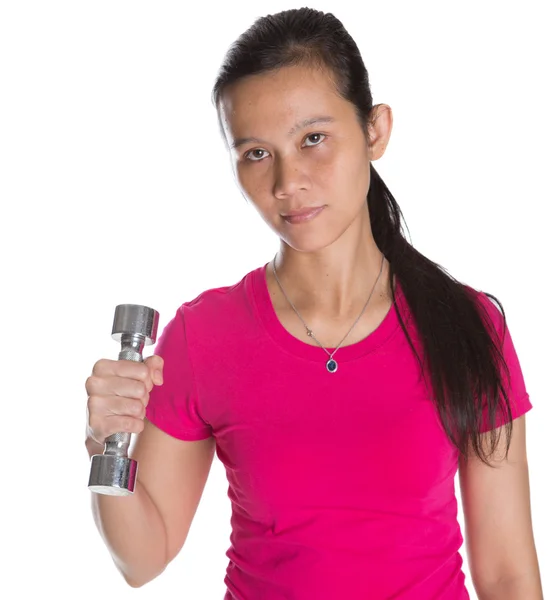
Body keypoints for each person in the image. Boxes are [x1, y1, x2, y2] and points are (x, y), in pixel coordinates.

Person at [84, 7, 543, 599]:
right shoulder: (204, 336)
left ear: (374, 131)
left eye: (313, 139)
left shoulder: (468, 326)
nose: (287, 181)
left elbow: (508, 574)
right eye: (256, 153)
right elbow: (141, 560)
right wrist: (106, 446)